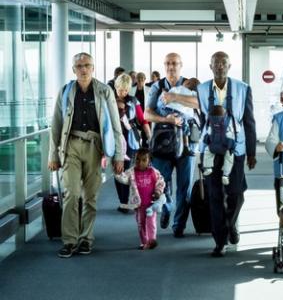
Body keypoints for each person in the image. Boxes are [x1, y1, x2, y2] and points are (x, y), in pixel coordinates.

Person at [48, 52, 124, 258]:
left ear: (93, 68)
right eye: (79, 66)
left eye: (87, 65)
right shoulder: (65, 91)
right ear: (73, 69)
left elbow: (116, 126)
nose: (83, 69)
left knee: (90, 197)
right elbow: (55, 125)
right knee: (71, 193)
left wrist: (119, 155)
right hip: (70, 145)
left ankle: (86, 239)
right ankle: (69, 240)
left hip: (94, 146)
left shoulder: (104, 91)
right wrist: (52, 155)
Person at [195, 51, 257, 257]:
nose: (220, 66)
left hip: (235, 147)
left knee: (236, 194)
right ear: (210, 66)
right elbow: (201, 120)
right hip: (211, 148)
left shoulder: (242, 88)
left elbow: (249, 121)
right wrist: (200, 150)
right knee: (214, 196)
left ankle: (230, 225)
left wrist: (251, 152)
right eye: (216, 63)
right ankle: (220, 240)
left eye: (224, 63)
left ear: (229, 66)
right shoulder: (202, 89)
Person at [145, 53, 195, 238]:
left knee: (185, 187)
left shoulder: (191, 84)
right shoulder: (156, 87)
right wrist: (166, 119)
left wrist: (175, 97)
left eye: (174, 63)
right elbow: (147, 115)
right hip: (162, 143)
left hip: (187, 143)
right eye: (167, 63)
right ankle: (167, 207)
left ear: (181, 65)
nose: (171, 66)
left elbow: (200, 103)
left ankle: (179, 225)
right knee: (161, 183)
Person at [114, 148, 166, 250]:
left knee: (151, 222)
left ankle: (151, 240)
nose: (140, 163)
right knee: (141, 223)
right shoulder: (131, 172)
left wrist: (158, 192)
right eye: (137, 159)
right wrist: (117, 172)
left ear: (149, 161)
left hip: (151, 203)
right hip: (138, 205)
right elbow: (123, 178)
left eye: (143, 160)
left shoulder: (153, 172)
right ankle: (144, 242)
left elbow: (161, 182)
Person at [114, 73, 151, 213]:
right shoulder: (109, 100)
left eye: (125, 89)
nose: (122, 92)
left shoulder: (133, 101)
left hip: (130, 138)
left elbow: (143, 119)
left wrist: (149, 135)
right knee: (117, 170)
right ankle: (123, 201)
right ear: (116, 86)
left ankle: (127, 200)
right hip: (114, 138)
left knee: (127, 169)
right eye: (120, 89)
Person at [202, 104, 238, 185]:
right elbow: (234, 131)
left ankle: (208, 167)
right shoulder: (228, 120)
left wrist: (207, 139)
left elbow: (208, 132)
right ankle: (225, 175)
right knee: (229, 159)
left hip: (213, 145)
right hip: (225, 146)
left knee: (207, 152)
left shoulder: (211, 121)